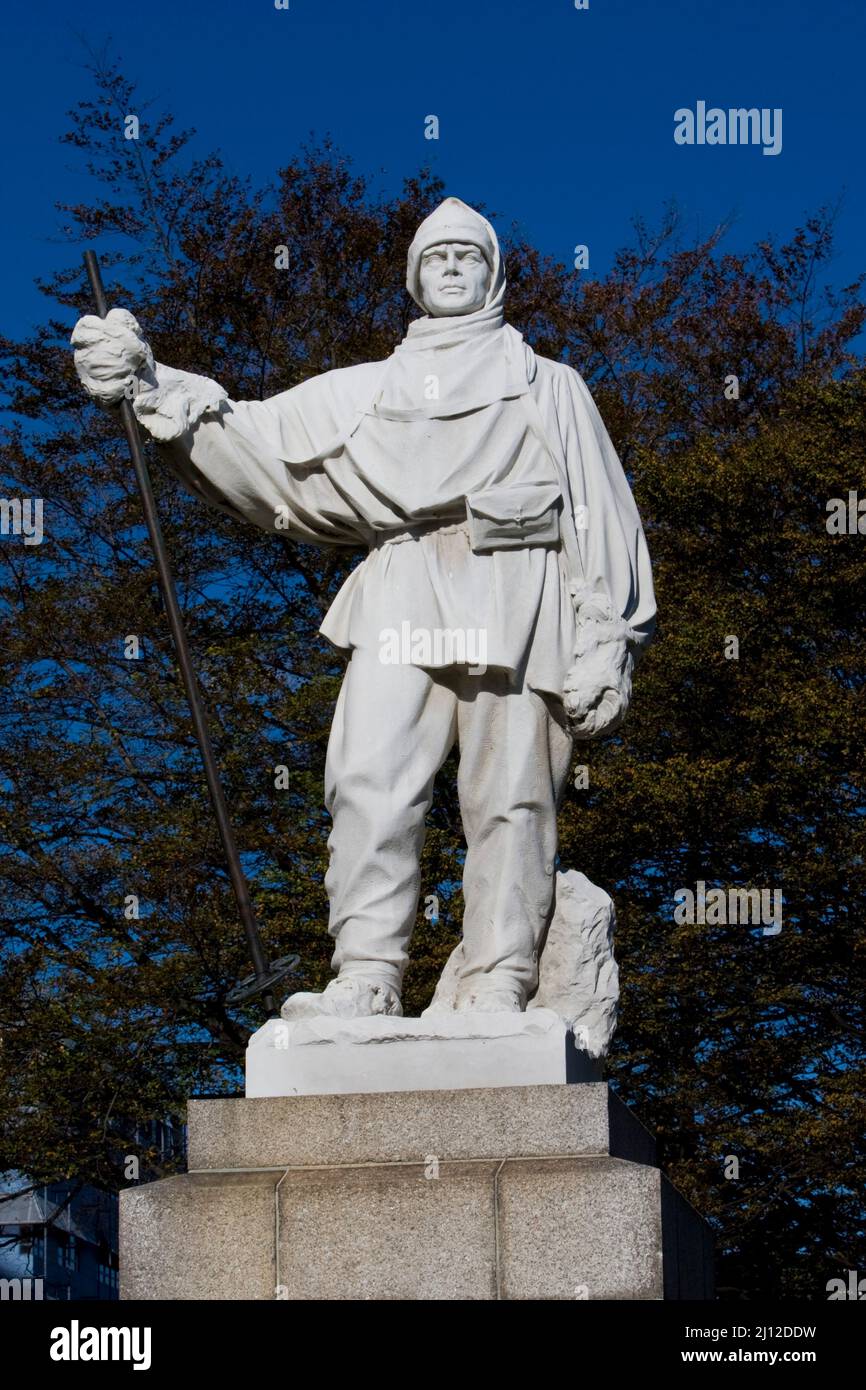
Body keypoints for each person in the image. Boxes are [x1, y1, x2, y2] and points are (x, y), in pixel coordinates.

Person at [72, 197, 655, 1020]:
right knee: (367, 775)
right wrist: (148, 382)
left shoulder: (549, 387)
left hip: (520, 586)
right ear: (414, 279)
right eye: (435, 258)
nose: (451, 269)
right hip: (405, 580)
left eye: (468, 257)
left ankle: (499, 977)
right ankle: (367, 974)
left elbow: (598, 511)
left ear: (493, 275)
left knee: (512, 793)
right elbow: (256, 441)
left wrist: (608, 633)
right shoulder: (368, 390)